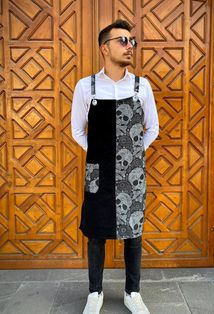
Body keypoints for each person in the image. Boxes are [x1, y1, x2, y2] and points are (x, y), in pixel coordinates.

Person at [71, 19, 159, 314]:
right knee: (96, 233)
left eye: (132, 41)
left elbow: (153, 129)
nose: (130, 45)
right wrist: (98, 154)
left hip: (132, 173)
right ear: (104, 48)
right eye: (122, 40)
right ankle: (94, 292)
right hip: (99, 171)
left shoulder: (141, 86)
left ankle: (132, 292)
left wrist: (133, 153)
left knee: (133, 232)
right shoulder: (87, 87)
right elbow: (77, 131)